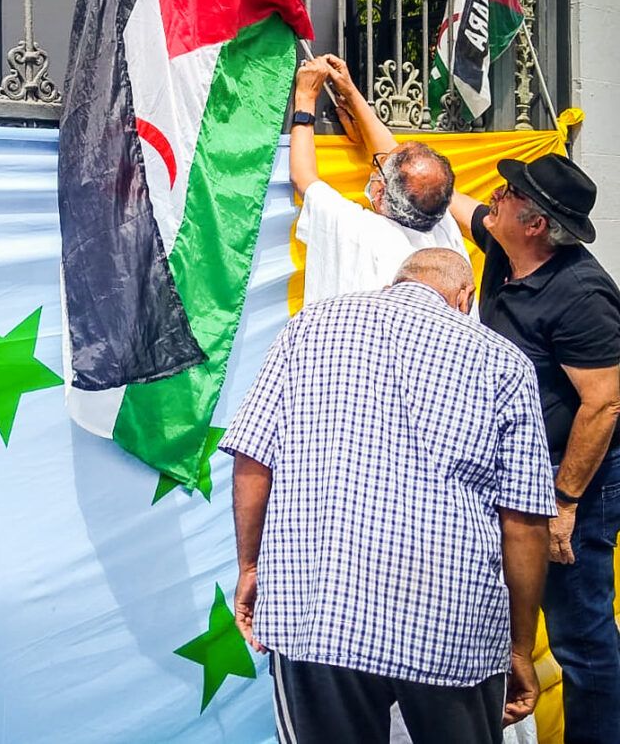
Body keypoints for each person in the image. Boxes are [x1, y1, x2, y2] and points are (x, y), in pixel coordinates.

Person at [222, 248, 556, 744]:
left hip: (318, 610)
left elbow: (253, 460)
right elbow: (525, 521)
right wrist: (520, 649)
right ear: (464, 299)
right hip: (450, 624)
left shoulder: (309, 327)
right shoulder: (504, 362)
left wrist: (251, 568)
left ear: (394, 284)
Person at [450, 155, 620, 743]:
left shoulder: (581, 295)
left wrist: (565, 503)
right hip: (521, 471)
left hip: (576, 478)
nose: (494, 196)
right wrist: (367, 122)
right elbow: (448, 197)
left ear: (536, 224)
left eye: (508, 192)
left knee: (582, 636)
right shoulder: (508, 248)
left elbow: (604, 404)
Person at [290, 56, 469, 304]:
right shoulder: (445, 232)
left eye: (380, 164)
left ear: (379, 193)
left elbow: (303, 176)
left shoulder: (357, 229)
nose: (378, 161)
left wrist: (306, 98)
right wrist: (351, 93)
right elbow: (398, 162)